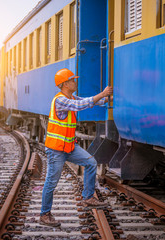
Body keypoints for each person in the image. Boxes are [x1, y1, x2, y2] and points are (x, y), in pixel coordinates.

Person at [39, 68, 113, 227]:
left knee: (91, 162)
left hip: (69, 147)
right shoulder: (60, 100)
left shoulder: (70, 96)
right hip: (56, 150)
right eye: (72, 80)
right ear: (65, 84)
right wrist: (102, 93)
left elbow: (88, 101)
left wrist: (106, 98)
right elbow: (79, 105)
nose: (75, 82)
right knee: (51, 182)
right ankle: (44, 214)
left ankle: (88, 198)